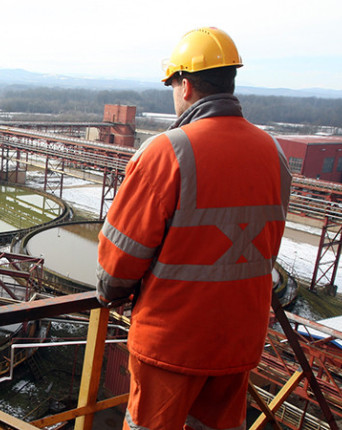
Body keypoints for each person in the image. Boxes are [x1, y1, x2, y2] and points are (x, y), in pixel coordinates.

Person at [95, 27, 291, 429]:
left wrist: (110, 294)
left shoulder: (168, 151)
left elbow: (119, 261)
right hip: (239, 341)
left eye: (172, 84)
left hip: (172, 344)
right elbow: (267, 242)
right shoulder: (273, 153)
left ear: (184, 86)